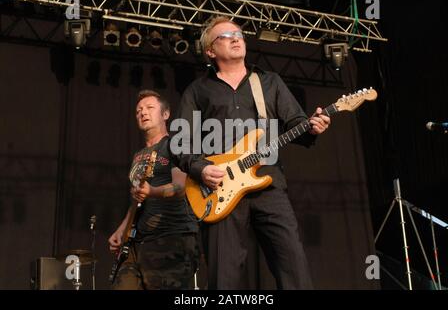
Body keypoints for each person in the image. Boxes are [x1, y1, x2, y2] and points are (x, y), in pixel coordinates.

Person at [171, 16, 331, 289]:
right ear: (210, 50)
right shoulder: (197, 90)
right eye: (226, 35)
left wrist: (313, 127)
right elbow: (180, 141)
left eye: (239, 33)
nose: (236, 38)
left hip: (268, 182)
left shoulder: (269, 82)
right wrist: (200, 168)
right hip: (218, 188)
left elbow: (295, 123)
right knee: (224, 278)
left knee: (294, 268)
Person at [108, 90, 199, 290]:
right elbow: (137, 199)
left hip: (171, 238)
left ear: (165, 114)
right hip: (137, 241)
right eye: (138, 110)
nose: (143, 112)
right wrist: (122, 228)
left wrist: (153, 191)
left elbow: (180, 186)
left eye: (150, 108)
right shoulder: (138, 155)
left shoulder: (175, 145)